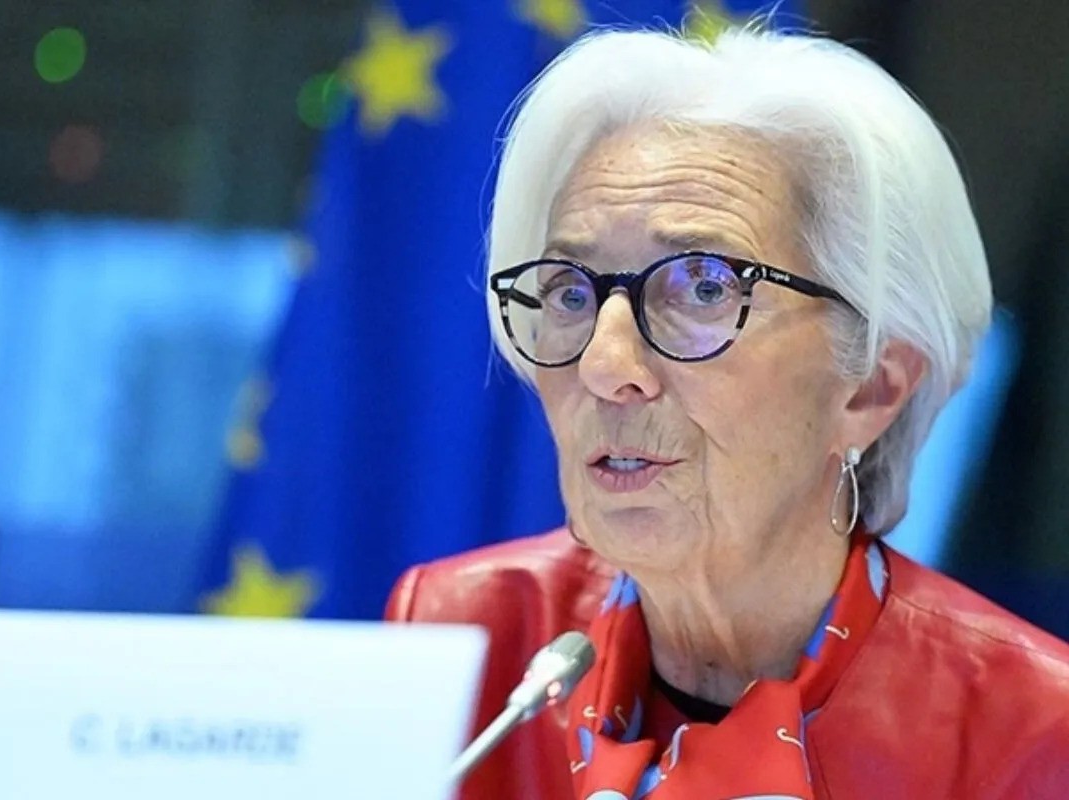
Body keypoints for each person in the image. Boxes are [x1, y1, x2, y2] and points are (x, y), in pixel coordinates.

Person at [385, 24, 1069, 800]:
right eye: (571, 293)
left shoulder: (1036, 737)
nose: (605, 366)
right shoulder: (467, 637)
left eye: (704, 287)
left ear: (872, 388)